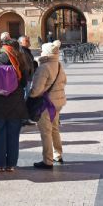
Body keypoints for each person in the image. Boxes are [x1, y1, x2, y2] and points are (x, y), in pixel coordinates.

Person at [0, 40, 28, 172]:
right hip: (16, 105)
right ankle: (11, 164)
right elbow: (25, 82)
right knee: (13, 135)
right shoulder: (20, 62)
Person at [30, 40, 67, 169]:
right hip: (58, 102)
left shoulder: (43, 68)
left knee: (46, 132)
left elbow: (36, 90)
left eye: (42, 50)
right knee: (55, 129)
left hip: (46, 104)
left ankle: (47, 160)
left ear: (46, 53)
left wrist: (30, 95)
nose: (40, 52)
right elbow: (64, 82)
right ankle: (58, 155)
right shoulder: (59, 65)